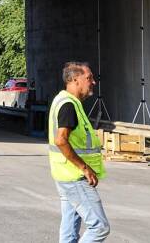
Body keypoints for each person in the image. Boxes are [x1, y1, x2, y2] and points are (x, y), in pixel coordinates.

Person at [50, 61, 109, 242]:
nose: (93, 82)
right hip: (74, 176)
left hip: (64, 174)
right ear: (75, 80)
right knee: (99, 227)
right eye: (89, 78)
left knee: (69, 229)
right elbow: (61, 140)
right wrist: (84, 167)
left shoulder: (64, 100)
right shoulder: (69, 105)